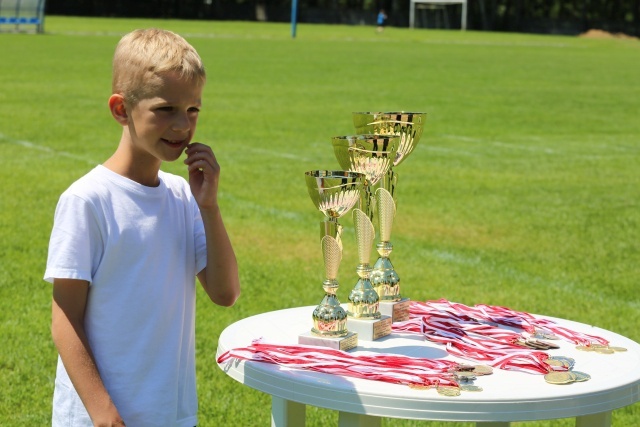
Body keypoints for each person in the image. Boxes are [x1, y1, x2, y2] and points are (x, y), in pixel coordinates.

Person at [45, 28, 241, 427]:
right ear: (121, 110)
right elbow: (65, 318)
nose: (182, 125)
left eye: (193, 110)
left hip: (168, 411)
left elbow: (225, 293)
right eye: (165, 109)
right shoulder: (88, 200)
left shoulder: (183, 198)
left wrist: (209, 206)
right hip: (99, 417)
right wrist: (103, 413)